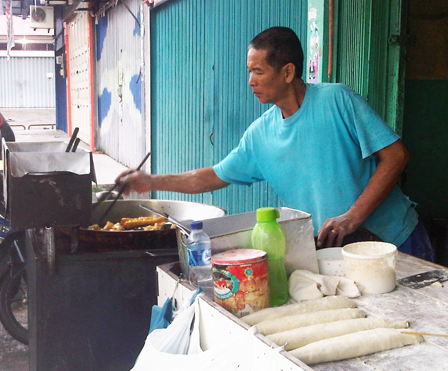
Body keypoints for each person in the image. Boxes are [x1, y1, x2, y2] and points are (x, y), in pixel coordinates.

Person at [116, 27, 433, 261]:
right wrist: (150, 181)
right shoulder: (259, 135)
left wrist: (352, 216)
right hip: (339, 254)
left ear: (288, 72)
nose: (249, 81)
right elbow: (210, 177)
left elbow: (396, 156)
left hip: (397, 240)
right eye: (248, 71)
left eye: (258, 71)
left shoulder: (337, 101)